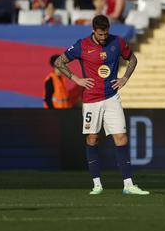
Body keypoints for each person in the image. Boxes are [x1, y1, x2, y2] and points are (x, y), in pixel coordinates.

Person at [54, 15, 148, 196]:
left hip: (112, 97)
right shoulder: (82, 45)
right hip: (91, 100)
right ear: (93, 31)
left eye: (106, 34)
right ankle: (97, 184)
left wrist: (125, 78)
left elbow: (133, 59)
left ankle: (128, 185)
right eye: (100, 34)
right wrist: (76, 79)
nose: (104, 38)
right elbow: (59, 61)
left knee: (121, 138)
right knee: (92, 139)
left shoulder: (118, 42)